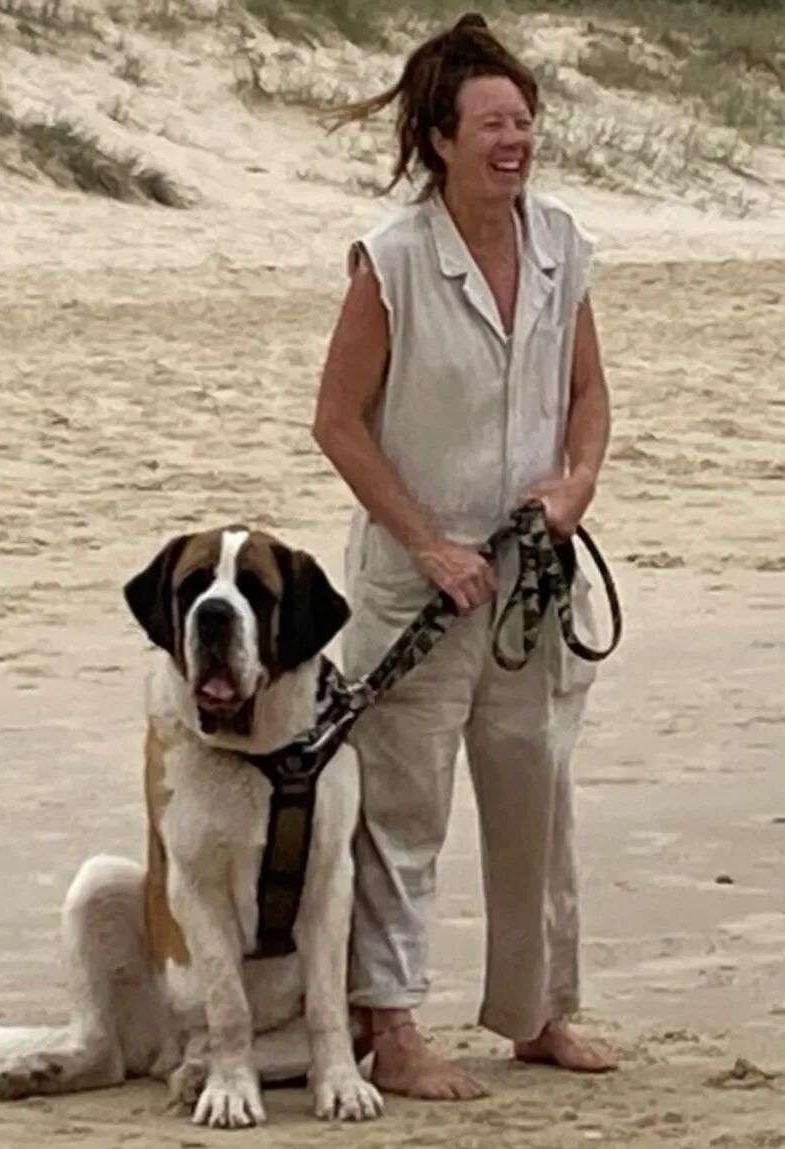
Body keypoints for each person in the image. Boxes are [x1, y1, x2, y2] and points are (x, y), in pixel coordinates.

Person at [313, 13, 616, 1100]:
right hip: (416, 589)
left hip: (533, 583)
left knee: (536, 793)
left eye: (524, 120)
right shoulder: (391, 260)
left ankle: (537, 1014)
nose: (513, 139)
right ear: (439, 138)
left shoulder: (562, 243)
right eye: (491, 122)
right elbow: (337, 421)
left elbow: (587, 396)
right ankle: (390, 1027)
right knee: (402, 810)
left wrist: (573, 487)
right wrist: (427, 542)